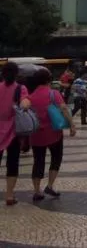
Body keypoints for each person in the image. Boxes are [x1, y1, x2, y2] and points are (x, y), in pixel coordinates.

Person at [27, 68, 76, 200]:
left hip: (36, 135)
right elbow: (64, 108)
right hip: (54, 133)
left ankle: (37, 191)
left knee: (38, 161)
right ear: (48, 80)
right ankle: (49, 185)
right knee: (56, 158)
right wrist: (72, 124)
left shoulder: (30, 97)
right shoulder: (53, 93)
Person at [1, 62, 32, 206]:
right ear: (16, 74)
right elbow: (25, 104)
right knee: (12, 163)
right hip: (13, 131)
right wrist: (24, 103)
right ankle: (9, 195)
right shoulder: (20, 88)